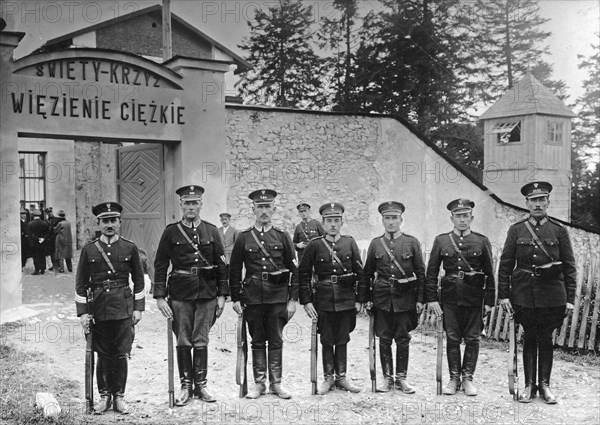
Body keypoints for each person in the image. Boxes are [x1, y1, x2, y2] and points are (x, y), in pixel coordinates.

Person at [498, 181, 576, 404]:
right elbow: (505, 264)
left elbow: (570, 266)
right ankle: (529, 386)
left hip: (552, 295)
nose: (538, 204)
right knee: (529, 336)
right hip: (524, 294)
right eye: (534, 200)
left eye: (542, 200)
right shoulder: (516, 230)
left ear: (548, 202)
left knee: (546, 338)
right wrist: (504, 295)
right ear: (527, 203)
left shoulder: (559, 231)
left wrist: (570, 299)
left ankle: (545, 385)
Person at [154, 185, 228, 405]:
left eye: (195, 203)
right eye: (187, 203)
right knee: (184, 340)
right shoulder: (171, 231)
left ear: (201, 205)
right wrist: (159, 296)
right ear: (181, 205)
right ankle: (186, 386)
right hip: (180, 292)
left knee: (201, 339)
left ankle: (201, 386)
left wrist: (223, 295)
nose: (191, 207)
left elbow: (222, 265)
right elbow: (160, 264)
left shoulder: (212, 230)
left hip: (206, 292)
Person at [75, 202, 145, 414]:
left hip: (123, 308)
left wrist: (138, 308)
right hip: (99, 308)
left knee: (121, 353)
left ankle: (120, 397)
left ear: (119, 223)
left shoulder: (129, 248)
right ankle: (104, 397)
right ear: (99, 223)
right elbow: (80, 283)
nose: (109, 225)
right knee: (103, 354)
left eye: (113, 220)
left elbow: (139, 281)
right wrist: (84, 312)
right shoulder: (89, 250)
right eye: (105, 221)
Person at [229, 189, 298, 400]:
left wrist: (293, 300)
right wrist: (236, 298)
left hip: (277, 296)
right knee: (257, 340)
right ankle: (259, 384)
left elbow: (295, 269)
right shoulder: (243, 237)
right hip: (253, 297)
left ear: (274, 209)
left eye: (268, 206)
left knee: (276, 340)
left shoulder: (282, 236)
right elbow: (234, 270)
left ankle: (276, 383)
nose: (264, 211)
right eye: (260, 207)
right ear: (253, 210)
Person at [425, 199, 495, 396]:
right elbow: (431, 273)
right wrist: (432, 299)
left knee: (473, 339)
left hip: (474, 298)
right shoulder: (442, 241)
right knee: (453, 338)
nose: (462, 219)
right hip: (450, 298)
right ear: (452, 218)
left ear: (471, 217)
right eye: (458, 216)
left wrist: (489, 301)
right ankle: (454, 378)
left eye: (466, 215)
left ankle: (468, 378)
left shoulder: (481, 241)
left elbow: (490, 274)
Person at [299, 202, 367, 394]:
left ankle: (342, 378)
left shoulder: (349, 242)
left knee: (343, 338)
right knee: (327, 339)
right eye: (329, 221)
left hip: (346, 298)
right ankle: (328, 378)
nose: (333, 225)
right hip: (323, 299)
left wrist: (360, 299)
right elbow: (303, 274)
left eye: (336, 221)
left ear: (342, 222)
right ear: (323, 222)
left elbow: (360, 273)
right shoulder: (314, 245)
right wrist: (306, 301)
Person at [364, 201, 426, 393]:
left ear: (401, 219)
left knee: (402, 338)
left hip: (405, 297)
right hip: (382, 298)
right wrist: (367, 298)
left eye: (394, 218)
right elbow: (367, 274)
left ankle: (402, 378)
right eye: (387, 218)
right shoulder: (376, 244)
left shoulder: (412, 242)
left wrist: (420, 299)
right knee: (384, 338)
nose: (391, 222)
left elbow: (421, 273)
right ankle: (386, 378)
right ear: (382, 220)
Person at [27, 210, 50, 275]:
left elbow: (30, 234)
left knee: (35, 256)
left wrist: (37, 239)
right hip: (43, 243)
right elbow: (48, 233)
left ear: (33, 215)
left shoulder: (30, 224)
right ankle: (43, 269)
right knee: (42, 255)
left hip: (34, 243)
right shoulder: (45, 223)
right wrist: (43, 239)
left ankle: (37, 270)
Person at [45, 207, 61, 271]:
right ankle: (54, 265)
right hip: (49, 239)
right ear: (46, 213)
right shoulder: (46, 221)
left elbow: (59, 229)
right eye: (48, 212)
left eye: (51, 212)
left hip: (56, 238)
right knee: (51, 253)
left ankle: (59, 266)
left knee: (57, 252)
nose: (50, 213)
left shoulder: (57, 220)